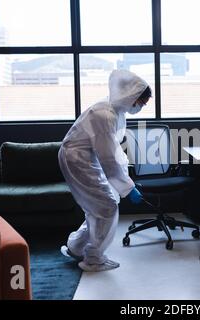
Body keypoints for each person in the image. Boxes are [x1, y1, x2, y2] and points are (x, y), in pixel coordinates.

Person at [58, 69, 152, 272]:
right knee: (106, 206)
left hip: (87, 157)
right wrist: (128, 187)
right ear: (132, 96)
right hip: (78, 159)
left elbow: (114, 151)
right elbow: (109, 158)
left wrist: (126, 183)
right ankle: (93, 259)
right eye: (141, 103)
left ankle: (76, 247)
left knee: (101, 205)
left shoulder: (116, 110)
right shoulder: (104, 113)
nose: (141, 108)